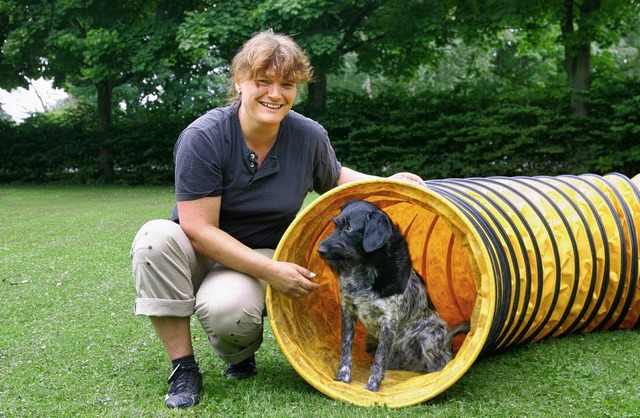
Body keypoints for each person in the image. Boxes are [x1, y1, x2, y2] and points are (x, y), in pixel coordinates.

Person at [130, 28, 424, 409]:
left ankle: (239, 355)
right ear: (239, 81)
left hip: (259, 251)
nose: (275, 93)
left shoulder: (308, 135)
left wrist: (388, 183)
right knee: (154, 237)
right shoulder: (203, 137)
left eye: (286, 83)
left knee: (227, 312)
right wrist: (272, 273)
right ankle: (183, 367)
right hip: (197, 249)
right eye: (263, 81)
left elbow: (335, 179)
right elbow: (199, 230)